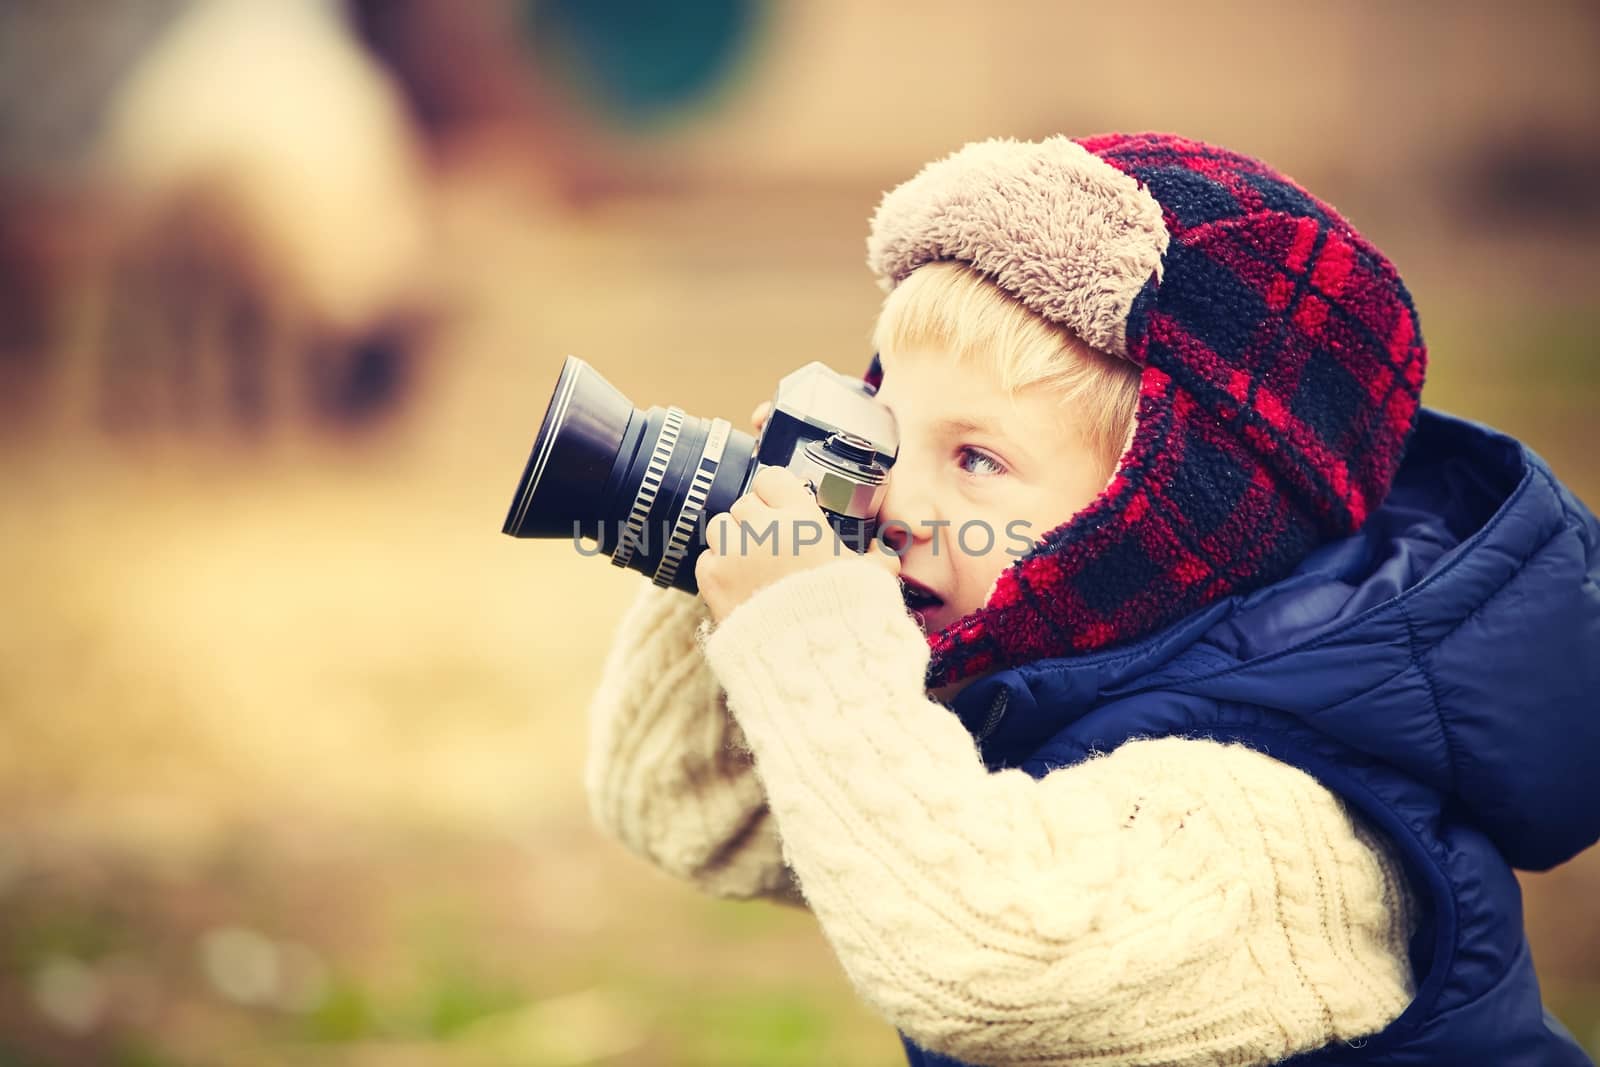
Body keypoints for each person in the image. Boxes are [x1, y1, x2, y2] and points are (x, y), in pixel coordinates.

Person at [583, 133, 1600, 1066]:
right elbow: (685, 808)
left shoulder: (1272, 817)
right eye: (886, 434)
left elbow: (983, 953)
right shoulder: (1032, 690)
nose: (894, 501)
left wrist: (806, 637)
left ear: (1164, 516)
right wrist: (744, 536)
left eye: (975, 457)